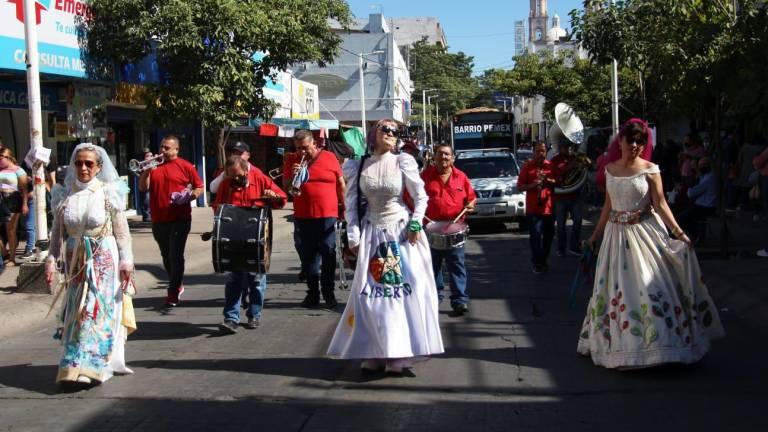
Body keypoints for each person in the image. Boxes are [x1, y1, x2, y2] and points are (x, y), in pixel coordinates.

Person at [579, 119, 724, 369]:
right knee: (618, 289)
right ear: (621, 141)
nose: (635, 145)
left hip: (645, 234)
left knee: (651, 287)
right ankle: (621, 346)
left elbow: (660, 204)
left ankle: (659, 345)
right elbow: (608, 205)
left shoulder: (650, 169)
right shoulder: (610, 169)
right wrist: (595, 234)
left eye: (640, 141)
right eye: (631, 140)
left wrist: (679, 233)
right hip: (616, 237)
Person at [327, 118, 444, 375]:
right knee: (371, 297)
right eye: (386, 129)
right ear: (374, 134)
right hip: (373, 236)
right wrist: (354, 236)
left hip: (400, 235)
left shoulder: (404, 161)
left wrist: (415, 224)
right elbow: (351, 204)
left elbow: (420, 196)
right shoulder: (357, 167)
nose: (391, 134)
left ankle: (398, 354)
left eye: (395, 131)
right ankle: (375, 351)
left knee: (398, 297)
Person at [44, 143, 135, 387]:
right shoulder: (64, 195)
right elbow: (56, 233)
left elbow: (122, 231)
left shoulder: (108, 193)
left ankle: (93, 366)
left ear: (98, 167)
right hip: (75, 261)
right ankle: (72, 365)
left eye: (89, 163)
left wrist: (126, 261)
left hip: (103, 259)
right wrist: (51, 259)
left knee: (95, 310)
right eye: (79, 163)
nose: (83, 168)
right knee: (76, 311)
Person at [213, 155, 286, 333]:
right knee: (234, 279)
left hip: (256, 237)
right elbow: (218, 208)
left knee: (256, 277)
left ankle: (254, 314)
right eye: (231, 176)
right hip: (234, 237)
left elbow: (281, 199)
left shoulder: (260, 179)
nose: (235, 179)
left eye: (238, 175)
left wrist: (272, 196)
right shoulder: (226, 185)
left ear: (246, 170)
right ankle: (231, 318)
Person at [139, 135, 204, 309]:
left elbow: (199, 186)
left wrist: (190, 196)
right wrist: (146, 169)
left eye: (167, 148)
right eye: (161, 147)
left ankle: (173, 291)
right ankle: (178, 283)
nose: (163, 151)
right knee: (166, 255)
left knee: (175, 255)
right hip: (159, 219)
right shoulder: (154, 166)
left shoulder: (185, 166)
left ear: (176, 149)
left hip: (179, 218)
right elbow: (143, 188)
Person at [291, 130, 346, 308]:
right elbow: (287, 189)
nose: (302, 152)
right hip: (303, 216)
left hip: (327, 215)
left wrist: (345, 207)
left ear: (314, 143)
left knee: (328, 254)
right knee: (308, 258)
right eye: (298, 148)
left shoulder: (330, 157)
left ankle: (329, 293)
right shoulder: (292, 160)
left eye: (305, 148)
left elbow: (341, 184)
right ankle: (312, 293)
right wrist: (294, 176)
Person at [421, 143, 476, 314]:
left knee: (457, 266)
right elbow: (413, 198)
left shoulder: (461, 177)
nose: (443, 157)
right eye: (440, 154)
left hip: (454, 229)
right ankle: (435, 298)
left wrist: (471, 205)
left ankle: (459, 300)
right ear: (434, 156)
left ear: (452, 158)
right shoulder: (425, 176)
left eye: (447, 154)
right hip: (431, 228)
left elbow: (471, 198)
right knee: (433, 267)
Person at [517, 141, 556, 274]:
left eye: (543, 151)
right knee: (535, 237)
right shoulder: (527, 167)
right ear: (533, 152)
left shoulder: (550, 166)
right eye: (538, 151)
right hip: (533, 209)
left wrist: (548, 181)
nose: (540, 154)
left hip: (548, 208)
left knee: (548, 237)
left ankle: (543, 259)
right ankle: (537, 262)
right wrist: (532, 185)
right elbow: (520, 186)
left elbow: (559, 183)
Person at [551, 139, 585, 257]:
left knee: (578, 220)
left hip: (575, 195)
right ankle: (561, 248)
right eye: (565, 147)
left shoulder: (576, 158)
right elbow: (555, 176)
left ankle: (574, 246)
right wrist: (568, 168)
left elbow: (584, 172)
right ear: (560, 148)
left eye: (570, 147)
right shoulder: (555, 160)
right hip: (560, 196)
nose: (568, 149)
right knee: (560, 225)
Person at [0, 146, 29, 266]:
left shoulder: (18, 170)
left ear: (8, 158)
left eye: (0, 158)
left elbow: (24, 189)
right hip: (1, 199)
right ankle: (4, 252)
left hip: (13, 199)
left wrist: (25, 204)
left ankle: (12, 258)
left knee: (10, 230)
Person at [678, 157, 717, 243]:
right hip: (702, 204)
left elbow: (691, 193)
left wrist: (692, 183)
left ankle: (696, 235)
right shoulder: (705, 177)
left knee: (683, 217)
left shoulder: (709, 178)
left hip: (707, 206)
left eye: (703, 165)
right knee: (684, 211)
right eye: (700, 166)